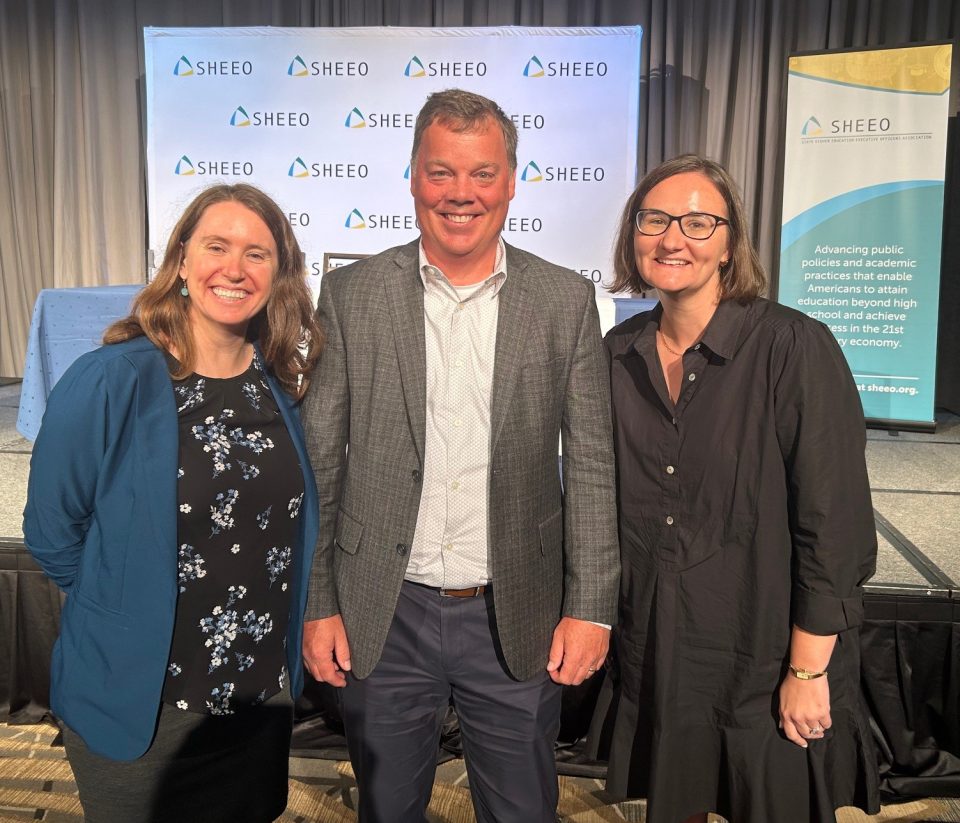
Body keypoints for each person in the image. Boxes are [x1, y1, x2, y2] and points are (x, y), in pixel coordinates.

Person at [300, 88, 619, 822]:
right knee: (386, 809)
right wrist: (317, 604)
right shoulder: (352, 294)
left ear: (512, 179)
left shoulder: (564, 300)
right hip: (385, 610)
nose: (461, 194)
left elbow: (595, 466)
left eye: (482, 173)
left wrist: (592, 607)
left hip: (516, 613)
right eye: (440, 172)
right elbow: (322, 463)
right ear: (411, 176)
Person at [22, 183, 322, 823]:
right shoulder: (111, 380)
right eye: (217, 246)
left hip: (255, 703)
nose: (235, 269)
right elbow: (51, 533)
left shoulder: (283, 389)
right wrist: (125, 606)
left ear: (279, 275)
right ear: (182, 260)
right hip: (142, 706)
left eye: (257, 254)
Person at [600, 154, 880, 822]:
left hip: (767, 652)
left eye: (699, 222)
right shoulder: (616, 354)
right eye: (656, 219)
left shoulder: (793, 347)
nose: (674, 238)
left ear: (730, 243)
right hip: (665, 651)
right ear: (633, 235)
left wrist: (808, 672)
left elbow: (834, 527)